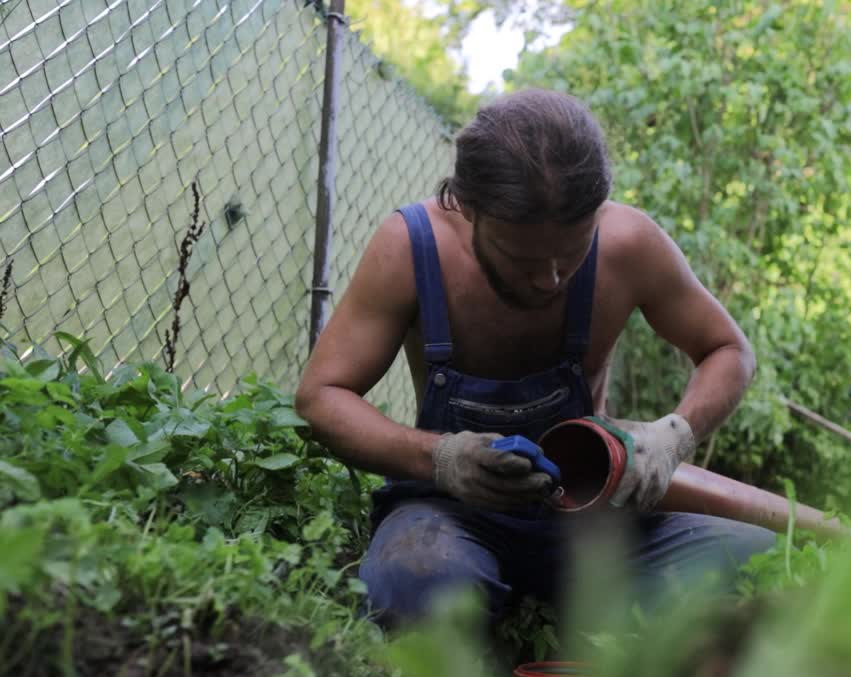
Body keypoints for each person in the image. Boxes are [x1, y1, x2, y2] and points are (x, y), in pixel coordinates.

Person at [295, 88, 774, 631]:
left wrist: (675, 435)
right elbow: (322, 396)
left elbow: (729, 350)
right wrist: (441, 457)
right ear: (468, 207)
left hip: (594, 523)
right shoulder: (410, 247)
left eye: (571, 254)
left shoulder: (629, 244)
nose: (549, 279)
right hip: (451, 519)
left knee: (761, 564)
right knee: (415, 584)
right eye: (522, 257)